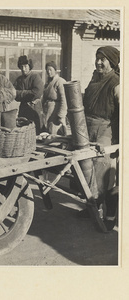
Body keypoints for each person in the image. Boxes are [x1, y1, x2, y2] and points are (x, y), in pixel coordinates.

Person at [79, 46, 120, 228]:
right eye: (97, 58)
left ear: (111, 62)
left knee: (105, 175)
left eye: (103, 59)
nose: (98, 62)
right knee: (87, 171)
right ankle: (92, 207)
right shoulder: (94, 80)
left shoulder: (116, 83)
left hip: (107, 130)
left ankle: (110, 217)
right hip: (88, 129)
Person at [14, 55, 44, 135]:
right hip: (23, 109)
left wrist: (21, 93)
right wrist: (26, 94)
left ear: (29, 66)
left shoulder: (35, 77)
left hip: (34, 108)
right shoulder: (19, 79)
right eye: (21, 67)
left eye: (25, 66)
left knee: (35, 132)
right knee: (23, 131)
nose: (23, 69)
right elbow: (14, 94)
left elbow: (36, 93)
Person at [42, 61, 67, 135]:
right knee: (47, 131)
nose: (49, 72)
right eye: (47, 70)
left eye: (50, 70)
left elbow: (64, 99)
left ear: (55, 70)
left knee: (54, 132)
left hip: (56, 111)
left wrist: (61, 114)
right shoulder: (47, 83)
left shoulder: (60, 81)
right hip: (48, 111)